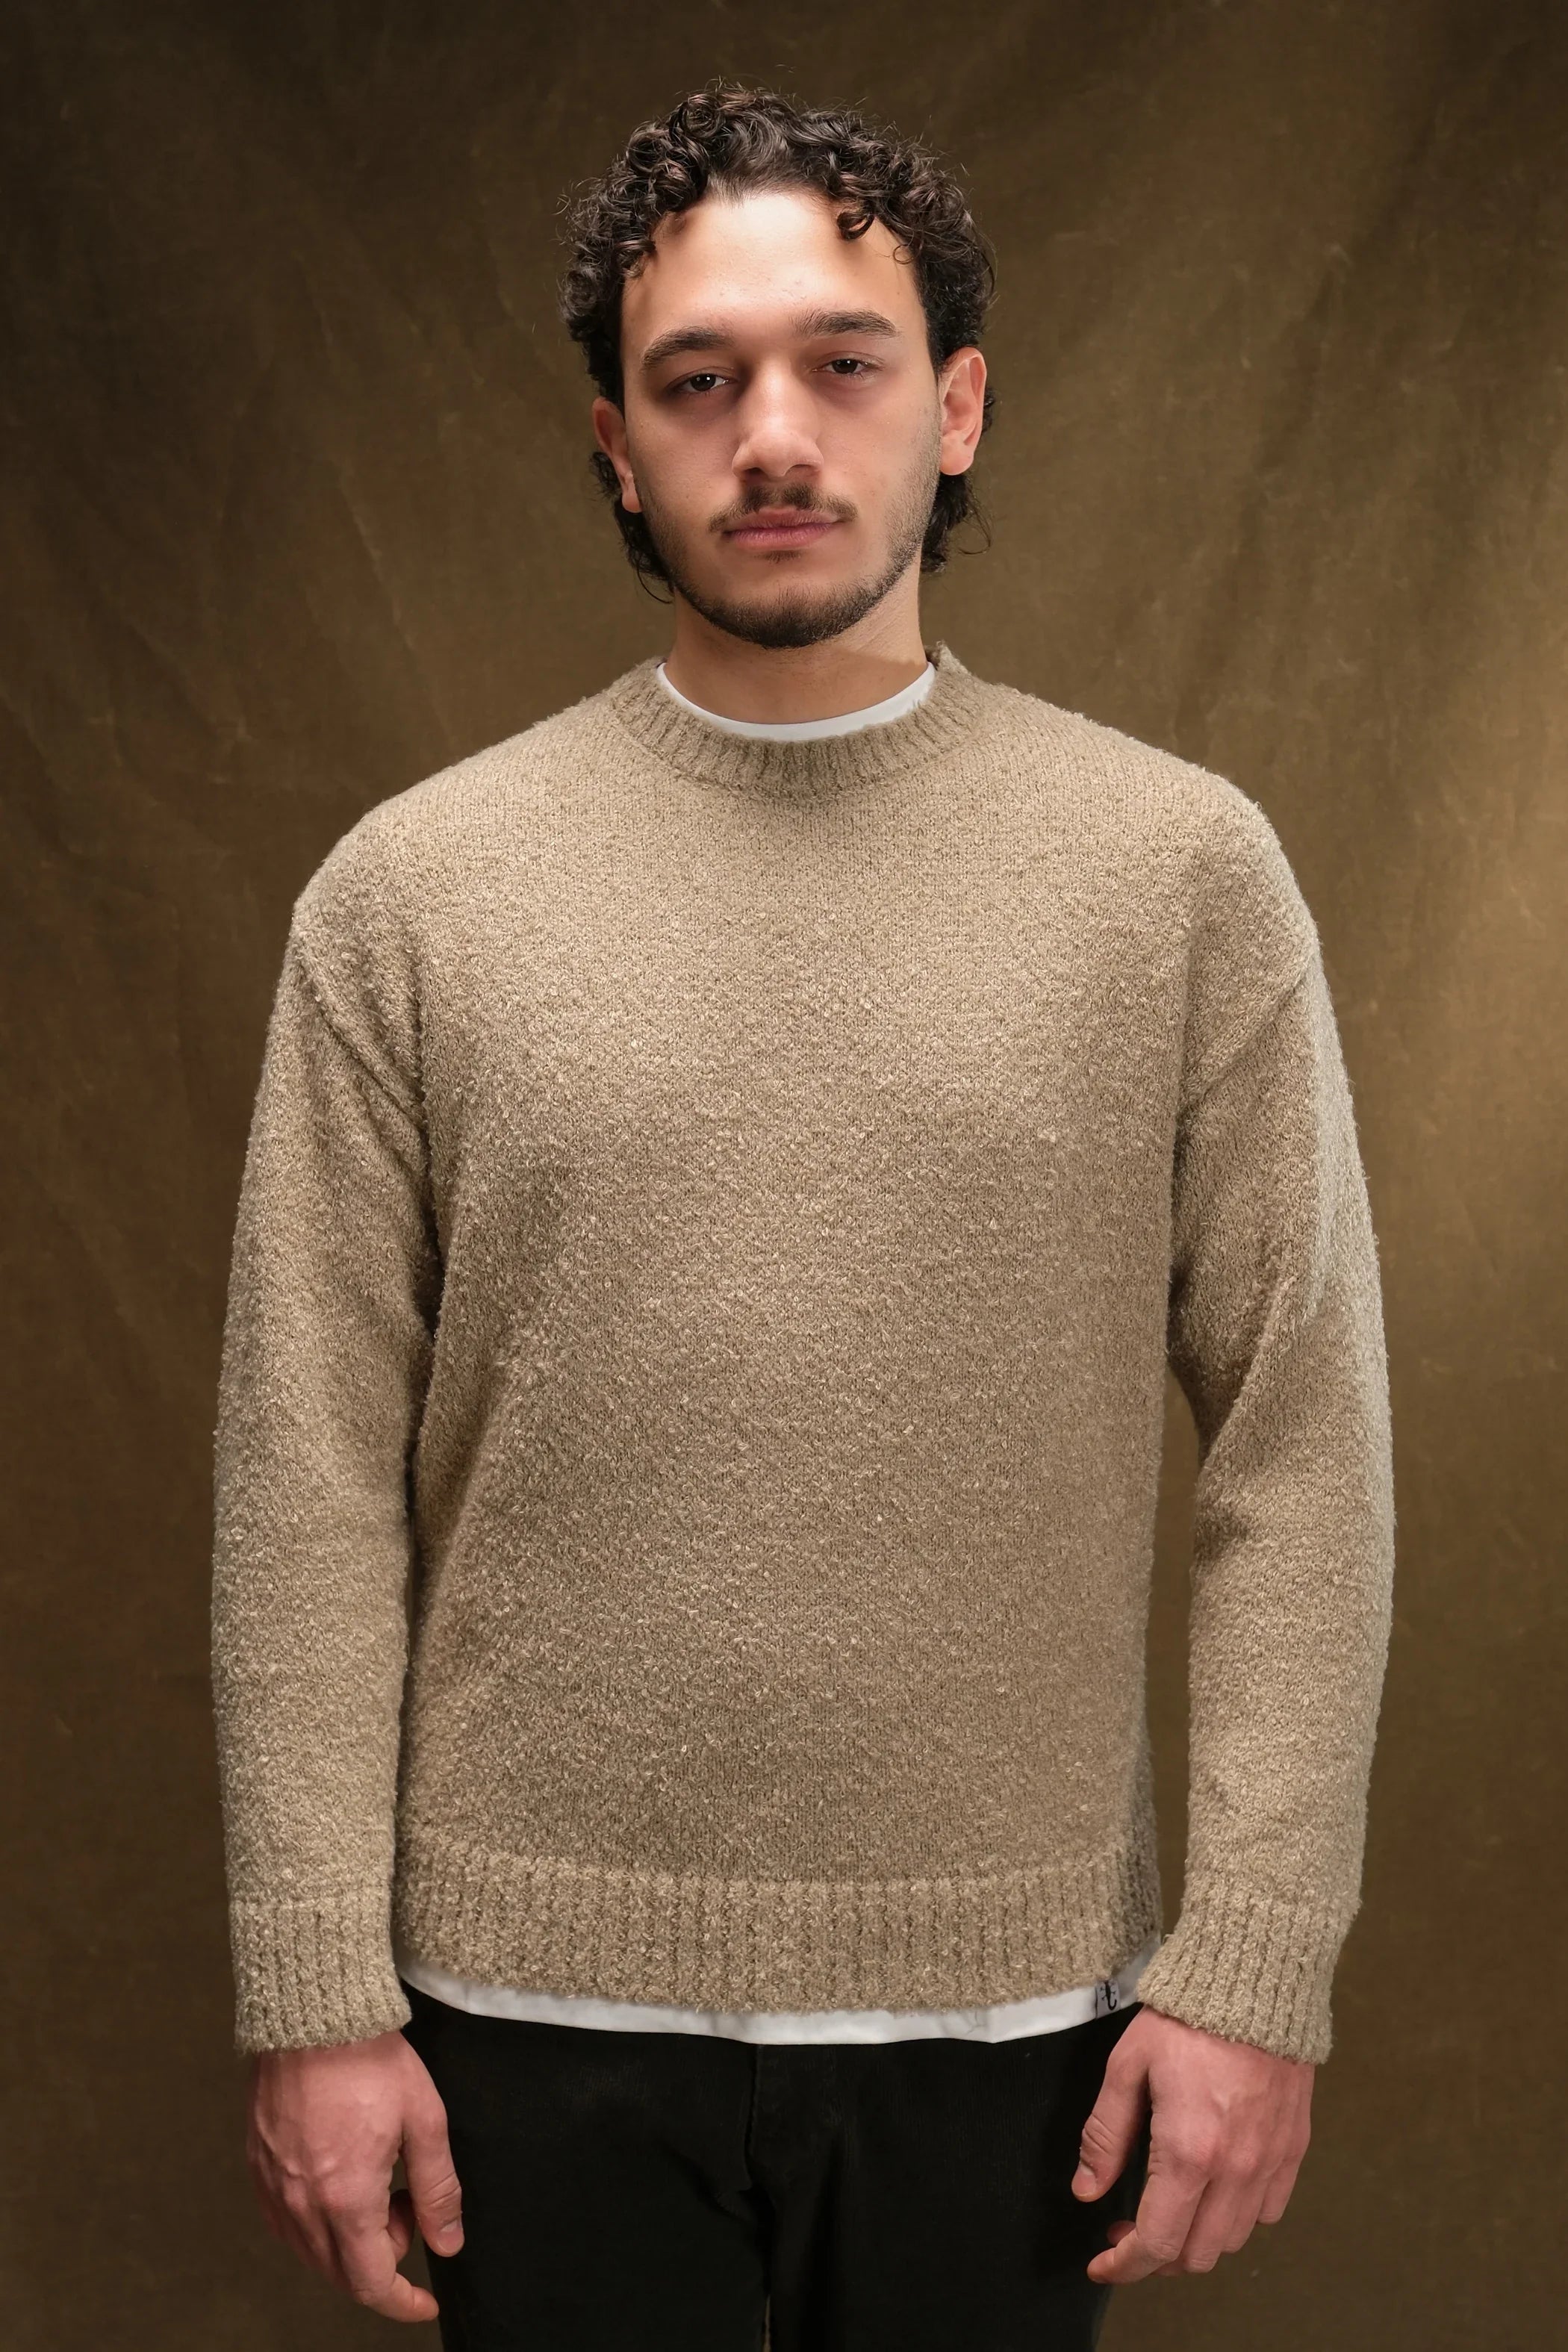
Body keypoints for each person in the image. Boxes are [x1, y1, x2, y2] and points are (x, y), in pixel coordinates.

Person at [212, 80, 1395, 2352]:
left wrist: (1256, 1962)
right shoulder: (412, 898)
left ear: (955, 410)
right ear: (614, 446)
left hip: (1016, 2032)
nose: (773, 435)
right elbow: (304, 1476)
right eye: (697, 381)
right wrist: (312, 1990)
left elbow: (1300, 1444)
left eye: (843, 363)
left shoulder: (1177, 877)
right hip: (512, 2030)